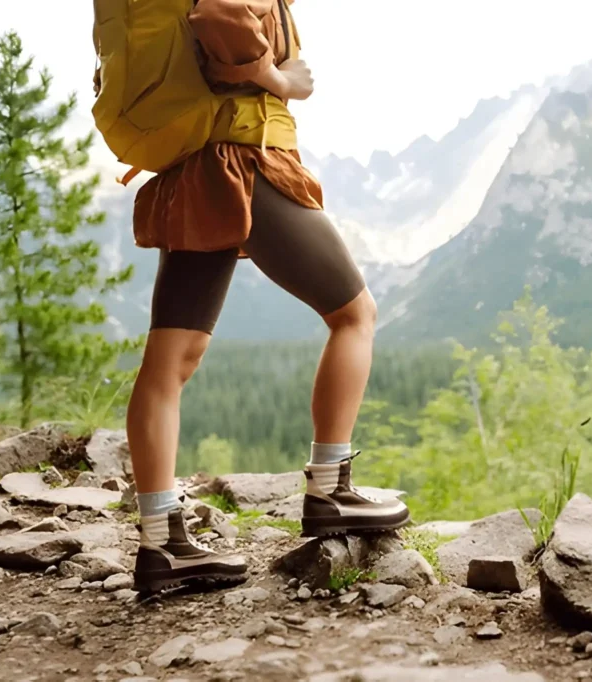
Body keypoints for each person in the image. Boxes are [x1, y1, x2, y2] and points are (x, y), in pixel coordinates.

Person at [99, 0, 411, 595]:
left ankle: (162, 542)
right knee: (354, 314)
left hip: (193, 166)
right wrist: (279, 79)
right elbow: (220, 15)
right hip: (241, 157)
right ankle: (331, 489)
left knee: (170, 360)